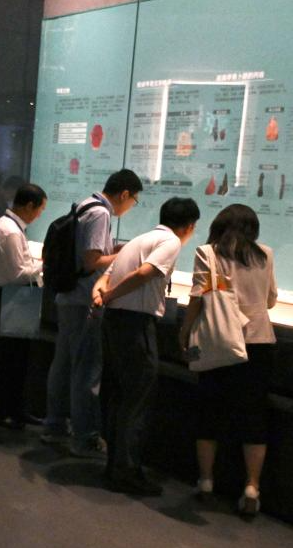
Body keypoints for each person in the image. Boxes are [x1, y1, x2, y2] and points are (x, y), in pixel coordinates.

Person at [94, 197, 199, 496]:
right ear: (189, 226)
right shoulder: (171, 241)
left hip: (116, 322)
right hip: (135, 324)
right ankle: (126, 471)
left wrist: (102, 295)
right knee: (138, 396)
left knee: (120, 395)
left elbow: (106, 275)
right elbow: (145, 273)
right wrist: (110, 295)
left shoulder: (139, 239)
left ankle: (115, 466)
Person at [179, 204, 278, 516]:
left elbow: (198, 297)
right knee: (254, 416)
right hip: (258, 343)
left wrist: (184, 331)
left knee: (209, 411)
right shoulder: (265, 254)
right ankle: (252, 487)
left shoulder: (208, 253)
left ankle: (206, 481)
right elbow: (270, 300)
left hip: (219, 344)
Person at [41, 168, 142, 458]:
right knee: (87, 369)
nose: (130, 205)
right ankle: (85, 437)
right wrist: (124, 254)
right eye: (133, 200)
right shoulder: (101, 213)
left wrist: (113, 250)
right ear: (124, 194)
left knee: (63, 363)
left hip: (67, 296)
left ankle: (54, 425)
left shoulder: (85, 205)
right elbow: (91, 261)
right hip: (84, 298)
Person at [0, 182, 47, 429]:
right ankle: (3, 412)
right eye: (40, 209)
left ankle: (13, 409)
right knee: (10, 359)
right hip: (12, 297)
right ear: (29, 206)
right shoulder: (10, 230)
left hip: (11, 298)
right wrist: (43, 265)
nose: (39, 214)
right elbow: (17, 273)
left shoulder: (7, 225)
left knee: (15, 359)